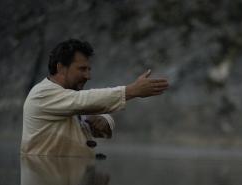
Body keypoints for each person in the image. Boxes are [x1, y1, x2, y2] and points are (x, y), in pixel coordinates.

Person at [21, 39, 169, 157]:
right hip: (46, 181)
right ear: (61, 67)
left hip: (71, 182)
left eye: (89, 69)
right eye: (82, 69)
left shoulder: (69, 96)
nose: (88, 76)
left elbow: (92, 108)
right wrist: (131, 90)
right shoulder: (42, 94)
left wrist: (105, 121)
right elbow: (85, 100)